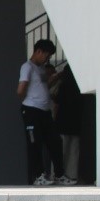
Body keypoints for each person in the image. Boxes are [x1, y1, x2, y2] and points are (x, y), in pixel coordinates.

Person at [18, 38, 69, 185]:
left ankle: (59, 174)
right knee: (35, 143)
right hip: (32, 111)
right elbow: (21, 89)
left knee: (55, 141)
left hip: (44, 112)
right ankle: (38, 176)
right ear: (39, 51)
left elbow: (42, 86)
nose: (47, 59)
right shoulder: (27, 67)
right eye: (47, 55)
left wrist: (56, 77)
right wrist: (27, 101)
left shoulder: (40, 68)